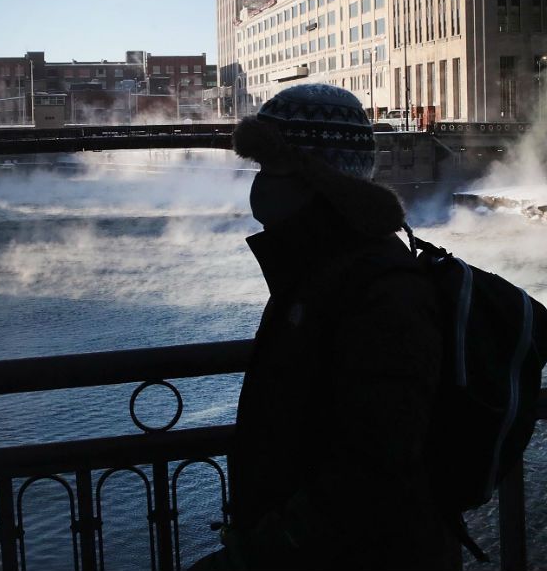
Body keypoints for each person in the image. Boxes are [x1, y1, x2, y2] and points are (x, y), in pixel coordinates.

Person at [191, 84, 460, 570]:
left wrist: (259, 553)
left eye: (270, 167)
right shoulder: (320, 269)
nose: (259, 184)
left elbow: (375, 468)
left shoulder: (378, 289)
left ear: (316, 176)